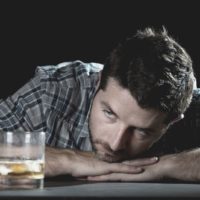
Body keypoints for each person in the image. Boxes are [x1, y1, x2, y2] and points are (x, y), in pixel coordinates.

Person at [0, 26, 200, 182]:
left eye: (141, 131)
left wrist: (167, 166)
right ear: (98, 81)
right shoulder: (54, 90)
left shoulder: (191, 107)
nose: (115, 143)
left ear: (172, 122)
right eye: (109, 114)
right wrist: (69, 159)